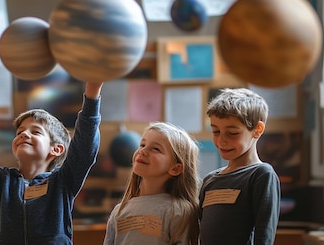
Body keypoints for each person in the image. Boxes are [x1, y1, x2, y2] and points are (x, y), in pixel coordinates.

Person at [0, 80, 103, 244]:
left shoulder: (62, 181)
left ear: (56, 149)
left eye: (36, 132)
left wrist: (92, 92)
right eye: (20, 131)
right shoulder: (1, 182)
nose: (24, 134)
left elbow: (85, 147)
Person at [200, 87, 280, 244]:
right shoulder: (210, 180)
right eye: (216, 131)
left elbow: (264, 235)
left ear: (257, 130)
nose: (221, 140)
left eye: (232, 133)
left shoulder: (261, 174)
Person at [103, 121, 200, 245]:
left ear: (175, 168)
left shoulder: (180, 211)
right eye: (142, 145)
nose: (142, 151)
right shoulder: (120, 210)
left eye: (156, 149)